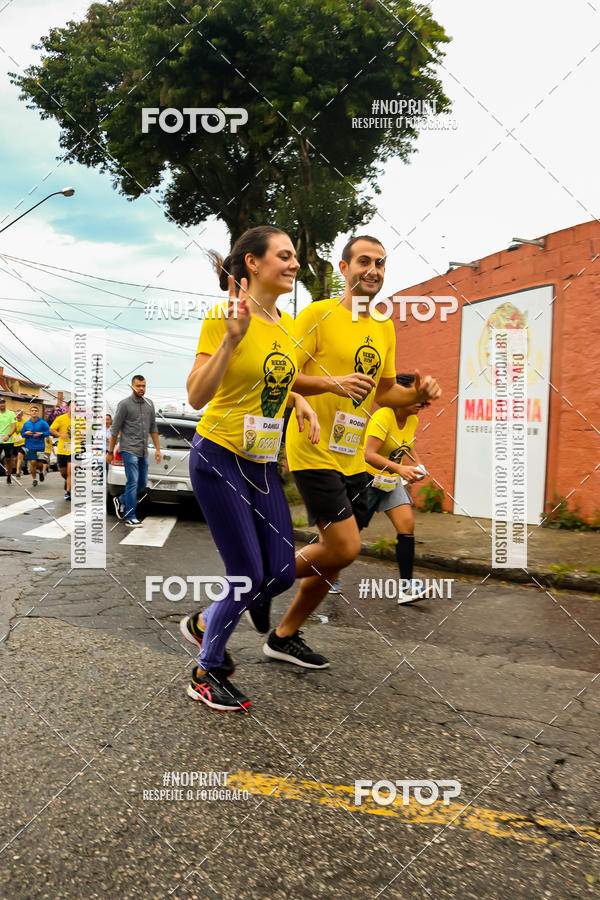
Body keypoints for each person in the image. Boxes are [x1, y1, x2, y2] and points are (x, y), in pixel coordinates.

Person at [256, 235, 441, 669]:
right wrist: (332, 383)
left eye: (380, 263)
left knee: (334, 559)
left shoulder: (383, 326)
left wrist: (419, 391)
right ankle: (260, 580)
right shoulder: (317, 315)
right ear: (343, 268)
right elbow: (281, 375)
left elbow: (387, 393)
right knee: (343, 546)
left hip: (354, 457)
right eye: (363, 261)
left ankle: (283, 637)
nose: (373, 270)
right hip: (314, 448)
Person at [181, 225, 320, 712]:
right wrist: (230, 343)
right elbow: (197, 394)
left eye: (295, 257)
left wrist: (298, 400)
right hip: (218, 453)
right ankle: (206, 668)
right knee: (245, 573)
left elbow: (273, 376)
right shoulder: (224, 318)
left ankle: (205, 619)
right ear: (253, 264)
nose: (295, 264)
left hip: (261, 462)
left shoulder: (287, 325)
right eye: (284, 255)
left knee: (280, 573)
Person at [364, 373, 429, 604]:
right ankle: (328, 576)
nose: (420, 402)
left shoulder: (412, 419)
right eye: (414, 395)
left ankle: (406, 588)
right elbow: (368, 455)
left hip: (390, 482)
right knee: (347, 535)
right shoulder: (383, 416)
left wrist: (417, 464)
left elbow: (406, 445)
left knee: (407, 525)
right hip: (366, 480)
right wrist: (400, 470)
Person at [107, 376, 161, 526]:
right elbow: (115, 429)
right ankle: (130, 516)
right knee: (132, 482)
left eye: (143, 386)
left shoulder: (150, 404)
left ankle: (121, 499)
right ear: (132, 386)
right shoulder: (124, 404)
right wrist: (110, 452)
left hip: (143, 451)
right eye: (138, 386)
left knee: (142, 483)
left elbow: (153, 428)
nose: (141, 389)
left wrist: (157, 449)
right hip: (128, 449)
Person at [50, 401, 78, 501]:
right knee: (63, 472)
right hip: (62, 449)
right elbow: (51, 429)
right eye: (72, 406)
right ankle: (68, 480)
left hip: (74, 450)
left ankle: (68, 491)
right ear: (67, 407)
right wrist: (60, 435)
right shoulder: (60, 418)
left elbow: (87, 431)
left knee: (71, 470)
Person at [21, 405, 50, 486]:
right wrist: (25, 433)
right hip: (30, 446)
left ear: (38, 412)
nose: (34, 412)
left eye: (35, 411)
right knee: (33, 462)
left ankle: (41, 472)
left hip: (40, 446)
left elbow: (49, 431)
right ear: (30, 412)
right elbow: (22, 434)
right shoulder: (27, 423)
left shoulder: (43, 423)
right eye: (32, 410)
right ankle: (34, 479)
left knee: (40, 464)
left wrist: (41, 433)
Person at [0, 397, 17, 483]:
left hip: (8, 441)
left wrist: (8, 435)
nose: (2, 404)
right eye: (0, 403)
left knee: (8, 460)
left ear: (5, 404)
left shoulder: (11, 414)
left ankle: (9, 475)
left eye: (3, 403)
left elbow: (14, 427)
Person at [12, 409, 26, 478]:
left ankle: (17, 472)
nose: (18, 416)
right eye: (17, 415)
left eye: (19, 415)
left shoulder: (25, 422)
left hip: (23, 443)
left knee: (20, 455)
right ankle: (19, 470)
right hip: (14, 443)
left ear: (22, 415)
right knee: (15, 459)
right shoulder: (13, 421)